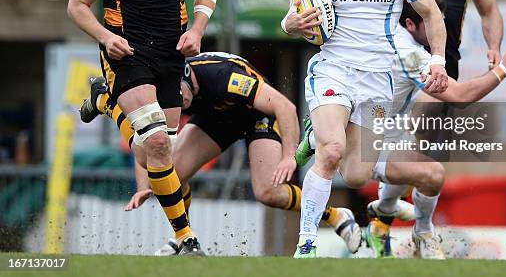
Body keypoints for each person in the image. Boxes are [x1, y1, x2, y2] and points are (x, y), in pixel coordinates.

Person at [282, 0, 449, 258]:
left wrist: (437, 60)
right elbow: (295, 15)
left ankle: (320, 139)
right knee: (332, 150)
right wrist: (292, 26)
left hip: (376, 82)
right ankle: (306, 242)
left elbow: (432, 14)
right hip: (334, 69)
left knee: (356, 174)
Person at [295, 0, 506, 259]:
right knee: (367, 173)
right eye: (431, 22)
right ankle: (321, 143)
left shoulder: (391, 31)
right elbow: (461, 95)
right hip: (366, 131)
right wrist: (504, 69)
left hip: (381, 128)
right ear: (409, 24)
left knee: (430, 172)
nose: (440, 29)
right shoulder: (408, 54)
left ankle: (413, 225)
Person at [67, 0, 219, 255]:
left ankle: (105, 101)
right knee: (154, 140)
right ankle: (187, 240)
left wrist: (197, 29)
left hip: (171, 52)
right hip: (126, 52)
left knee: (156, 149)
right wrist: (104, 37)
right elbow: (77, 6)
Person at [80, 52, 363, 255]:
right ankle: (184, 239)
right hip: (216, 120)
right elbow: (150, 143)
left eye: (180, 97)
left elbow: (285, 107)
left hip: (256, 117)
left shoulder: (223, 77)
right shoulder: (172, 91)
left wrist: (290, 156)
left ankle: (336, 215)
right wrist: (145, 185)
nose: (178, 104)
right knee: (169, 176)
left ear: (189, 77)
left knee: (267, 192)